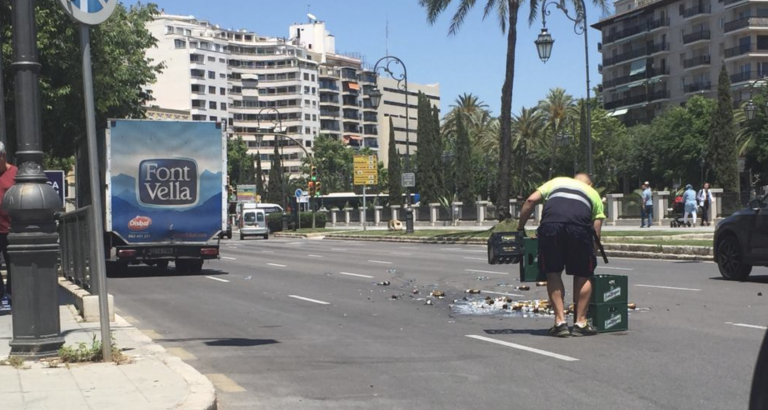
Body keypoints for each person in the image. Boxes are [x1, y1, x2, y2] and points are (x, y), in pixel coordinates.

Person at [517, 173, 606, 337]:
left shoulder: (557, 182)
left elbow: (530, 200)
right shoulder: (593, 193)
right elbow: (596, 226)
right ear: (590, 184)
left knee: (553, 272)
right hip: (579, 228)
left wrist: (520, 227)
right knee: (583, 274)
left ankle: (560, 322)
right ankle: (581, 322)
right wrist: (593, 251)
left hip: (551, 226)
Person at [0, 142, 17, 301]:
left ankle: (12, 295)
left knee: (12, 263)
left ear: (3, 156)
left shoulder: (15, 173)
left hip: (10, 228)